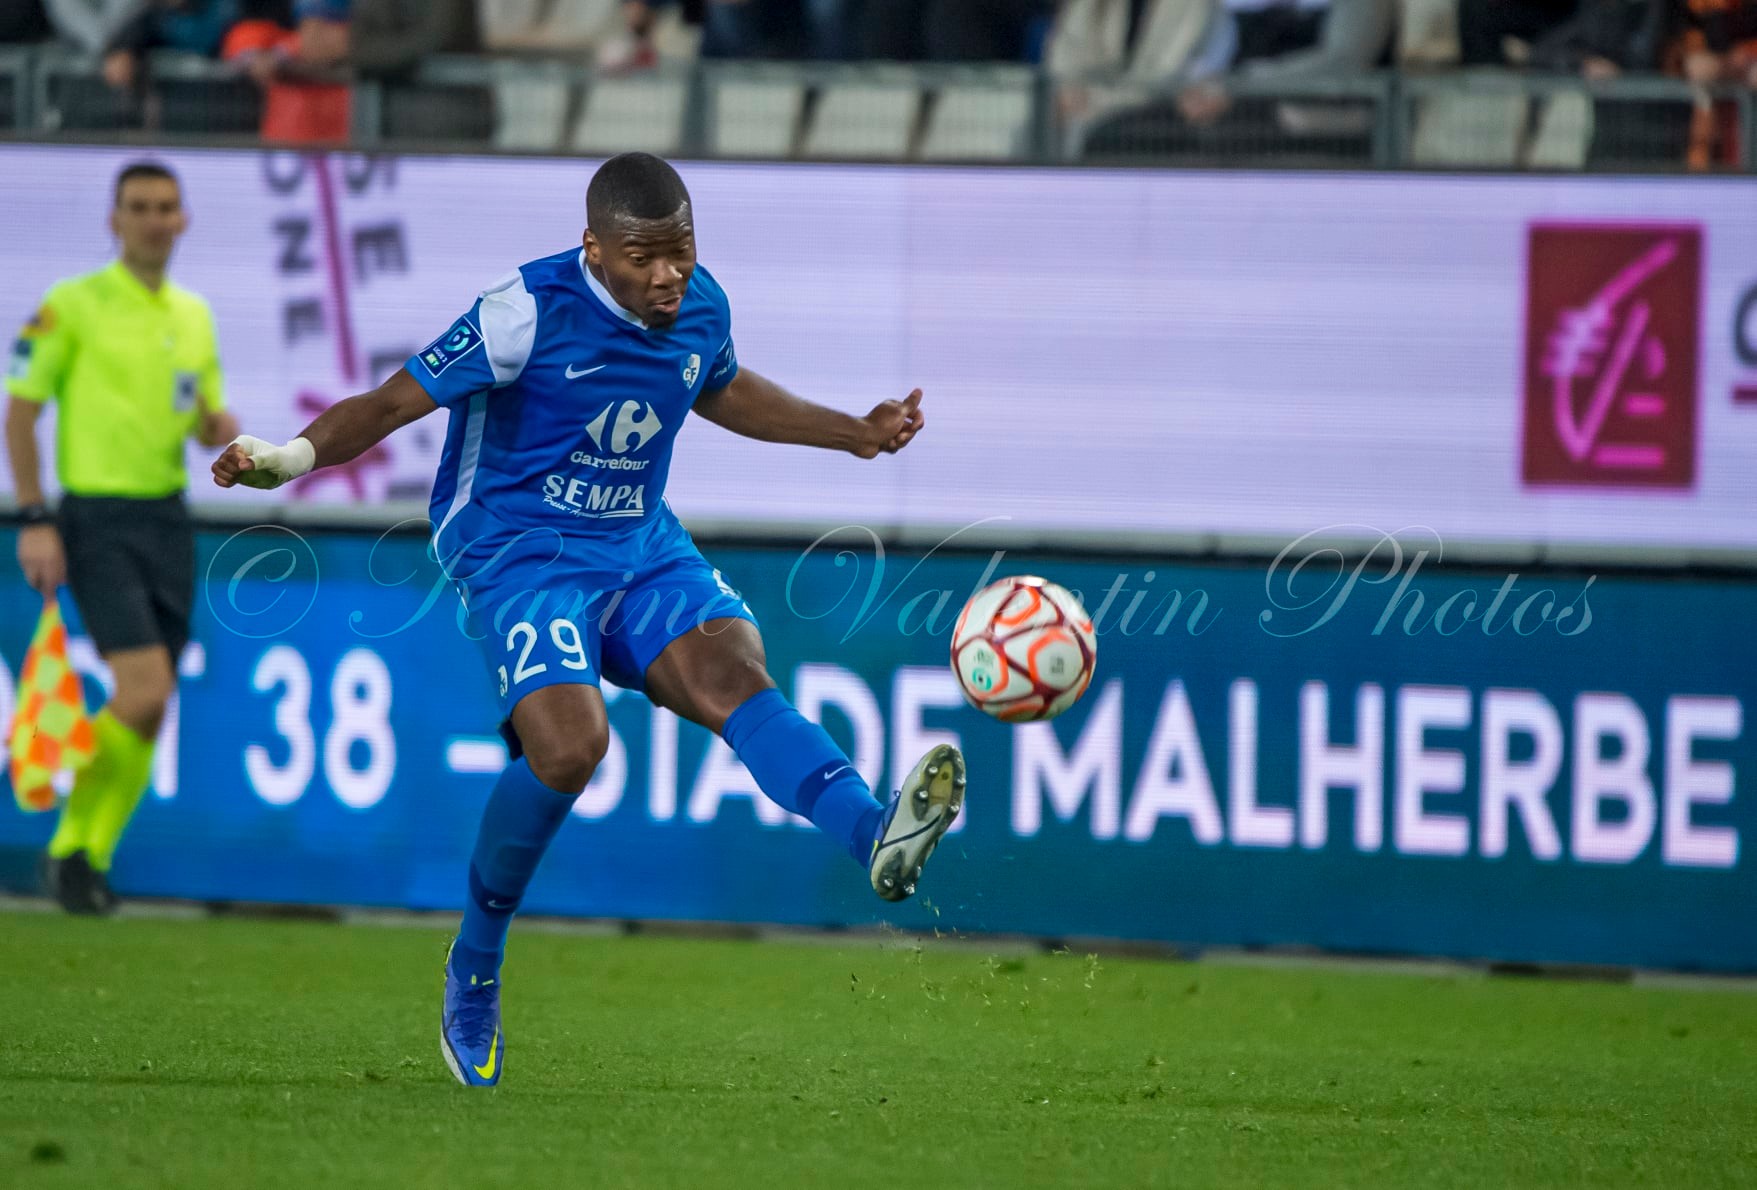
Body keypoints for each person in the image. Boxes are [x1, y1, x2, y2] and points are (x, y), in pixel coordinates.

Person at [211, 151, 967, 1088]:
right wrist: (288, 459)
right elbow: (394, 400)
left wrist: (854, 431)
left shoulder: (701, 305)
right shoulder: (523, 312)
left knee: (735, 672)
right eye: (645, 257)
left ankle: (872, 833)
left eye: (681, 252)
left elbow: (721, 387)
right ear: (594, 251)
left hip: (635, 542)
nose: (667, 275)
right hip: (515, 548)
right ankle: (475, 964)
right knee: (571, 747)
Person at [6, 160, 238, 914]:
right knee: (145, 689)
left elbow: (201, 417)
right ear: (114, 220)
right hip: (96, 517)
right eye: (139, 206)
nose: (153, 219)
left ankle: (85, 861)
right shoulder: (70, 305)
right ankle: (70, 836)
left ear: (184, 219)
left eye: (166, 207)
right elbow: (20, 413)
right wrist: (36, 517)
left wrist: (218, 431)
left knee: (152, 703)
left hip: (167, 517)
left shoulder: (194, 314)